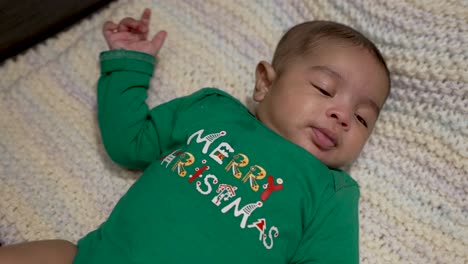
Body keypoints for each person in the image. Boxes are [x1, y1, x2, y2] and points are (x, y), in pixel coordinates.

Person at [0, 7, 390, 264]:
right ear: (265, 83)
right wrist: (129, 66)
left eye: (362, 118)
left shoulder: (330, 191)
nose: (341, 115)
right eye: (324, 88)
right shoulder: (213, 110)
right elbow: (129, 142)